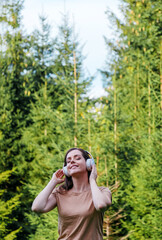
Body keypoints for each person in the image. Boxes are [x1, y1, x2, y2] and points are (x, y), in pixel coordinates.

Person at [31, 148, 112, 240]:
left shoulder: (102, 191)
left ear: (89, 164)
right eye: (68, 161)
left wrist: (92, 179)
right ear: (66, 169)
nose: (72, 161)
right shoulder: (60, 192)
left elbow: (101, 205)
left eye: (77, 158)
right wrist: (53, 182)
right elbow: (37, 207)